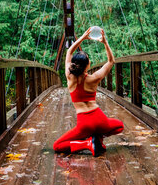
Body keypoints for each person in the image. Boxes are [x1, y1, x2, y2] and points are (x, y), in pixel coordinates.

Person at [53, 27, 124, 156]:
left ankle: (87, 143)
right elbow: (111, 61)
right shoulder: (94, 78)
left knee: (57, 146)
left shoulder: (70, 77)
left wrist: (83, 37)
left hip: (84, 124)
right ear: (87, 66)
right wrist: (105, 43)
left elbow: (69, 52)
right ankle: (98, 137)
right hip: (99, 118)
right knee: (119, 126)